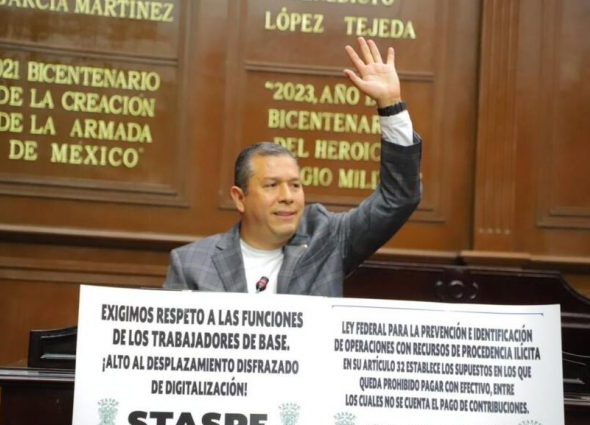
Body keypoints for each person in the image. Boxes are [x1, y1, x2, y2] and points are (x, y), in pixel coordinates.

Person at [164, 37, 421, 296]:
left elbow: (398, 198)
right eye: (272, 185)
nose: (287, 197)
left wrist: (391, 105)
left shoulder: (325, 239)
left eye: (295, 185)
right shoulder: (192, 264)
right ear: (239, 198)